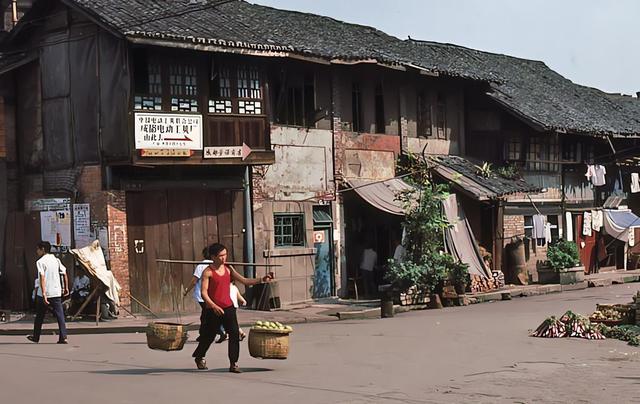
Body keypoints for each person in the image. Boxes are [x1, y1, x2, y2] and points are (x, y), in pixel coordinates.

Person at [192, 243, 273, 373]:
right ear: (213, 257)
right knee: (209, 336)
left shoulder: (229, 269)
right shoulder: (208, 272)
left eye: (225, 255)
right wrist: (213, 305)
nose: (224, 258)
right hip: (213, 310)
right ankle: (199, 356)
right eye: (221, 256)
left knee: (234, 334)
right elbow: (204, 293)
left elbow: (245, 281)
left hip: (228, 308)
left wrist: (261, 279)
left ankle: (233, 363)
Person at [27, 241, 69, 344]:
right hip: (56, 292)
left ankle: (36, 337)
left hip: (43, 293)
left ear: (43, 249)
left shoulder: (40, 262)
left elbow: (42, 278)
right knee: (60, 315)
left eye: (38, 249)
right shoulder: (56, 260)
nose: (37, 251)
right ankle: (63, 337)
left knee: (39, 316)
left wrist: (44, 294)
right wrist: (66, 288)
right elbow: (64, 273)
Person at [183, 247, 225, 342]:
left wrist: (187, 291)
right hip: (214, 294)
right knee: (205, 315)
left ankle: (219, 332)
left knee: (207, 316)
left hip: (203, 295)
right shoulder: (216, 265)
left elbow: (194, 281)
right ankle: (203, 334)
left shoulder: (202, 266)